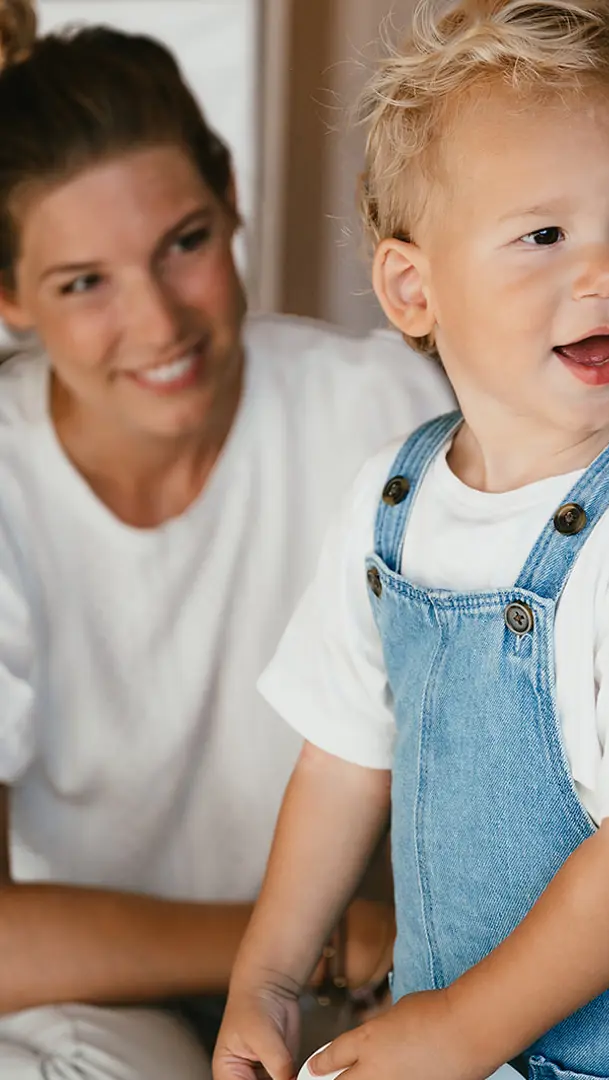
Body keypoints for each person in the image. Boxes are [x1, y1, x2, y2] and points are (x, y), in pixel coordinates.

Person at [216, 2, 609, 1079]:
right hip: (463, 1037)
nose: (607, 275)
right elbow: (342, 764)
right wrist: (265, 975)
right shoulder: (391, 501)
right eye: (544, 235)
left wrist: (462, 1030)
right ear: (414, 290)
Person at [0, 5, 454, 1078]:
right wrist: (294, 949)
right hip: (103, 995)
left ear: (231, 201)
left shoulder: (375, 410)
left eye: (184, 244)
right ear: (12, 298)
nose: (158, 323)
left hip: (370, 990)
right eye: (85, 284)